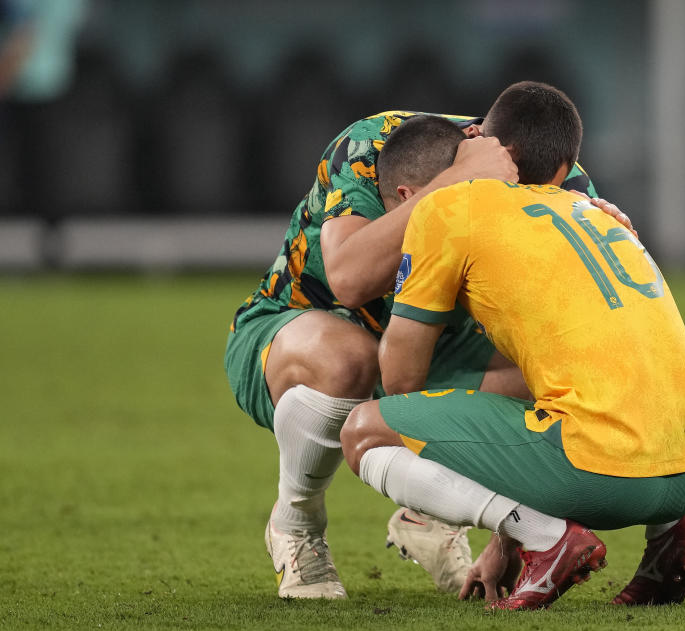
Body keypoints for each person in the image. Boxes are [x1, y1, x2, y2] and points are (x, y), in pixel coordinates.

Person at [224, 82, 627, 599]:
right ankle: (296, 525)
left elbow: (597, 331)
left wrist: (508, 544)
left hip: (435, 340)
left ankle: (427, 516)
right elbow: (347, 279)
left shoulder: (557, 175)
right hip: (297, 329)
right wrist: (459, 182)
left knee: (554, 365)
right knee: (350, 359)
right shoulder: (370, 146)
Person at [339, 109, 685, 610]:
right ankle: (676, 535)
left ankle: (547, 539)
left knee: (364, 430)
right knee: (569, 382)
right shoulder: (596, 211)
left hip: (606, 477)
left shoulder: (449, 209)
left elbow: (401, 380)